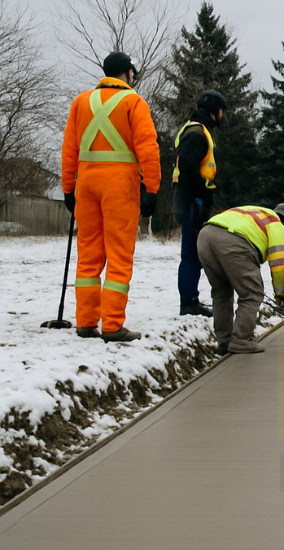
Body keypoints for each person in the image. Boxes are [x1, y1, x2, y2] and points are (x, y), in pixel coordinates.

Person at [61, 51, 160, 342]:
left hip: (87, 183)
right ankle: (113, 324)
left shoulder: (81, 102)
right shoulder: (134, 102)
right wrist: (151, 188)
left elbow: (69, 149)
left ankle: (86, 321)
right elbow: (148, 148)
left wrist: (68, 188)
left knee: (88, 255)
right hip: (119, 186)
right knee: (119, 254)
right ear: (129, 73)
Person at [197, 203, 284, 354]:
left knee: (221, 291)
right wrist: (283, 295)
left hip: (205, 236)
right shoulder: (276, 224)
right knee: (252, 294)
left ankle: (224, 341)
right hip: (234, 241)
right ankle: (242, 340)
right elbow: (280, 264)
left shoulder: (255, 212)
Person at [172, 90, 228, 317]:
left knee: (194, 251)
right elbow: (187, 168)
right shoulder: (197, 133)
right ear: (213, 111)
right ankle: (189, 302)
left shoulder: (196, 129)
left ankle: (190, 297)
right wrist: (201, 197)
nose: (222, 116)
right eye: (221, 111)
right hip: (191, 199)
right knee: (192, 253)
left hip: (190, 197)